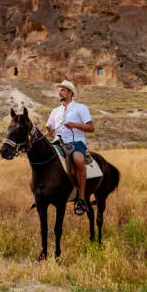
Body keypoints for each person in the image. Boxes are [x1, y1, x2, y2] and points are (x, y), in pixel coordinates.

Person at [45, 80, 94, 215]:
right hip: (57, 142)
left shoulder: (81, 108)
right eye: (59, 90)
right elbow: (50, 127)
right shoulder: (55, 111)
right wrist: (49, 129)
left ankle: (81, 198)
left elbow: (91, 127)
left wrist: (74, 125)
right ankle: (43, 193)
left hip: (76, 142)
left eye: (63, 90)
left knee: (78, 160)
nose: (59, 92)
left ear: (70, 93)